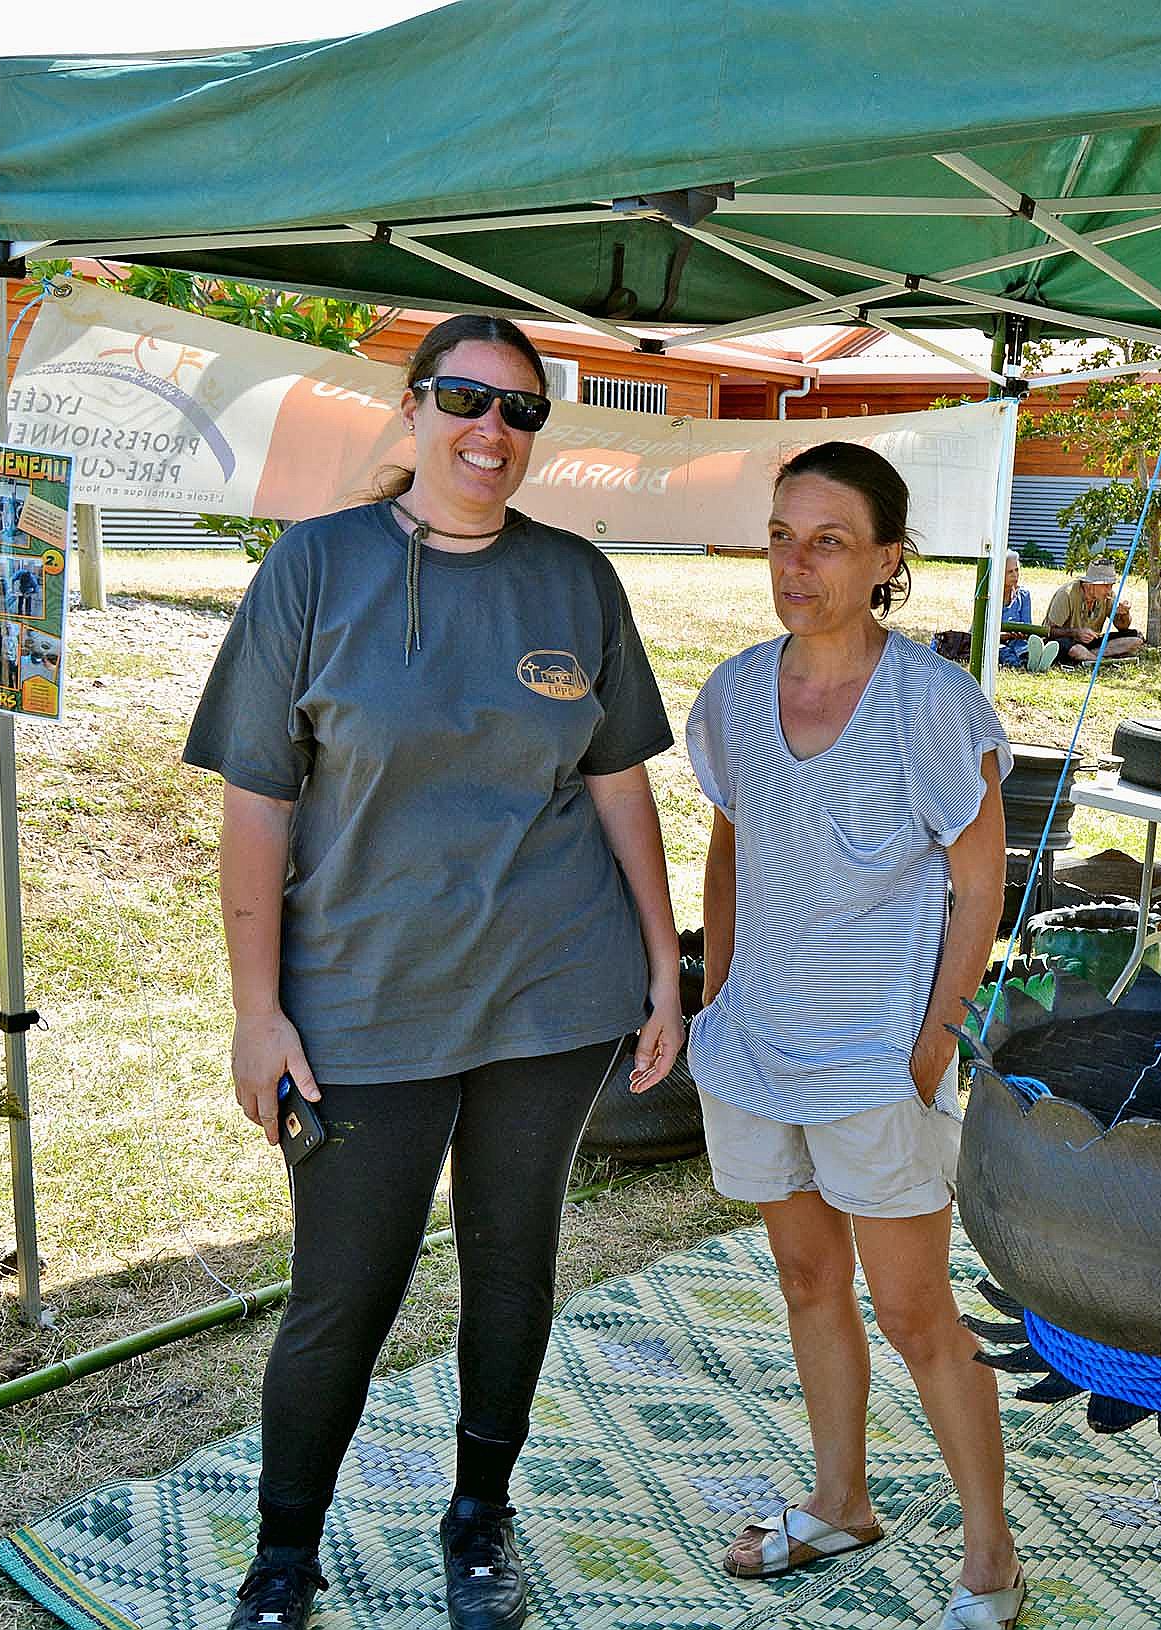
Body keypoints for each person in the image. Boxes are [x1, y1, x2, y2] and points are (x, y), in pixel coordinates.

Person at [184, 313, 686, 1630]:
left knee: (513, 1258)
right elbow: (255, 802)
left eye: (520, 411)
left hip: (551, 990)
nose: (491, 431)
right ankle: (283, 1556)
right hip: (366, 995)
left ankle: (479, 1519)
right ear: (412, 410)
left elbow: (618, 779)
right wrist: (256, 1012)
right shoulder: (314, 567)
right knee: (347, 1287)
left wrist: (665, 965)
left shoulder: (577, 580)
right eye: (467, 398)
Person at [686, 442, 1025, 1630]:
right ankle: (842, 1500)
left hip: (877, 1058)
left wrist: (932, 1045)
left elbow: (980, 887)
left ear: (888, 562)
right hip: (759, 1048)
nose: (795, 563)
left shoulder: (934, 704)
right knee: (804, 1278)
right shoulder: (733, 692)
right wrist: (717, 997)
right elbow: (730, 844)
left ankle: (991, 1556)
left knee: (919, 1312)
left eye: (827, 541)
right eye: (782, 535)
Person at [1043, 558, 1143, 664]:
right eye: (1105, 585)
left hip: (1091, 643)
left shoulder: (1108, 596)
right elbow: (1048, 631)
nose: (1109, 590)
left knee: (1135, 637)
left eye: (1111, 585)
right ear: (1090, 584)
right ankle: (1098, 659)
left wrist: (1125, 613)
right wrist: (1075, 633)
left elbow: (1122, 627)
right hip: (1067, 641)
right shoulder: (1067, 594)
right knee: (1070, 647)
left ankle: (1087, 656)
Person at [996, 549, 1034, 667]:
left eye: (1017, 570)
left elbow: (1028, 626)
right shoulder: (990, 596)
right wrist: (1006, 635)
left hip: (1016, 640)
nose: (1015, 575)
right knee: (1005, 652)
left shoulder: (1024, 595)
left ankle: (1031, 659)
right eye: (1010, 572)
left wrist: (1022, 633)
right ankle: (1022, 663)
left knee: (1023, 647)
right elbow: (982, 632)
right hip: (996, 641)